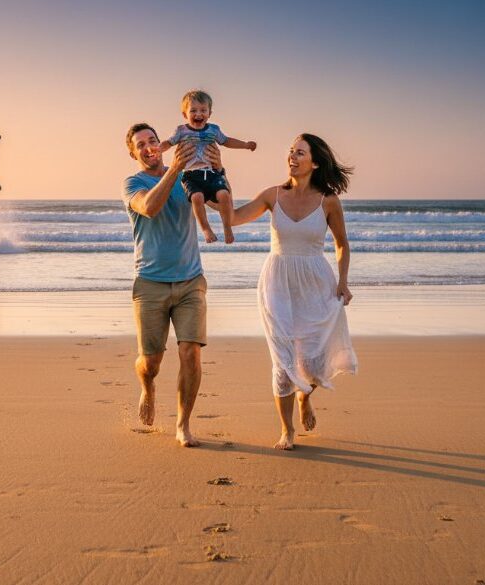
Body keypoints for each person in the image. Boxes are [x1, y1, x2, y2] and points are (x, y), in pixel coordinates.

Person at [231, 133, 358, 450]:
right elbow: (233, 218)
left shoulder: (328, 201)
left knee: (314, 361)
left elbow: (341, 244)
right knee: (283, 359)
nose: (292, 156)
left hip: (316, 281)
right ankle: (287, 430)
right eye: (290, 151)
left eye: (300, 152)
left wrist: (343, 281)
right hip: (277, 280)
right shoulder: (272, 195)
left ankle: (305, 397)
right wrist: (212, 193)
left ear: (314, 162)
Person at [122, 122, 222, 447]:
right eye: (141, 144)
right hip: (150, 283)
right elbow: (149, 207)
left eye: (153, 140)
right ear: (133, 153)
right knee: (150, 363)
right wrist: (175, 169)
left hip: (191, 280)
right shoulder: (133, 183)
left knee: (190, 352)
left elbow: (221, 205)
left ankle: (183, 423)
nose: (150, 147)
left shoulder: (188, 175)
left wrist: (219, 171)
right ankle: (148, 388)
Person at [159, 90, 256, 245]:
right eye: (193, 110)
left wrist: (245, 145)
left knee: (224, 194)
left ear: (209, 113)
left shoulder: (214, 130)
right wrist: (158, 149)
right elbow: (168, 143)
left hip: (211, 172)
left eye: (203, 110)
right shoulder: (181, 131)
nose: (198, 114)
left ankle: (227, 228)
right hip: (191, 174)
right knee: (197, 197)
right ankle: (205, 229)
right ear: (185, 114)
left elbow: (226, 141)